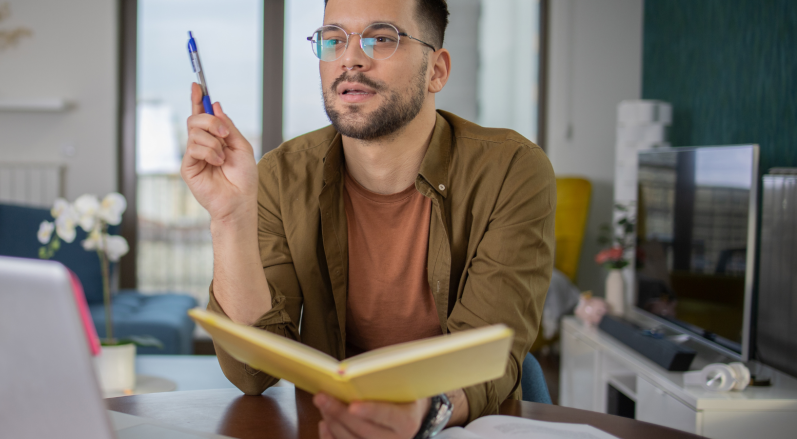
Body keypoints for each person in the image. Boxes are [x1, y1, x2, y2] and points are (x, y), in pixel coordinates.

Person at [181, 0, 555, 437]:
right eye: (333, 40)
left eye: (381, 38)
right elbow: (251, 373)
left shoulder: (512, 169)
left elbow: (491, 355)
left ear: (436, 70)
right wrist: (230, 217)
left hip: (455, 423)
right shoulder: (281, 176)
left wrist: (421, 415)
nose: (351, 58)